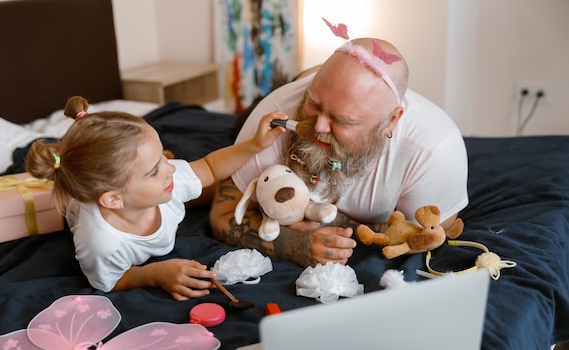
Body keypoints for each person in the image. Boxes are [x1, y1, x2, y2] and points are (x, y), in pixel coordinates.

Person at [209, 37, 469, 268]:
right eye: (314, 104)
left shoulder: (434, 149)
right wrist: (294, 244)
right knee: (224, 151)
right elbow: (222, 214)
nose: (319, 126)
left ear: (392, 120)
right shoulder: (277, 114)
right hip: (296, 85)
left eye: (342, 120)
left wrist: (331, 223)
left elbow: (429, 233)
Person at [25, 96, 286, 300]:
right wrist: (154, 274)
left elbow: (209, 167)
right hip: (94, 209)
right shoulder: (102, 243)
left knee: (193, 176)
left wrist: (255, 145)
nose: (170, 169)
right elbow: (113, 281)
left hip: (133, 194)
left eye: (162, 157)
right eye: (154, 170)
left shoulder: (169, 177)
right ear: (114, 199)